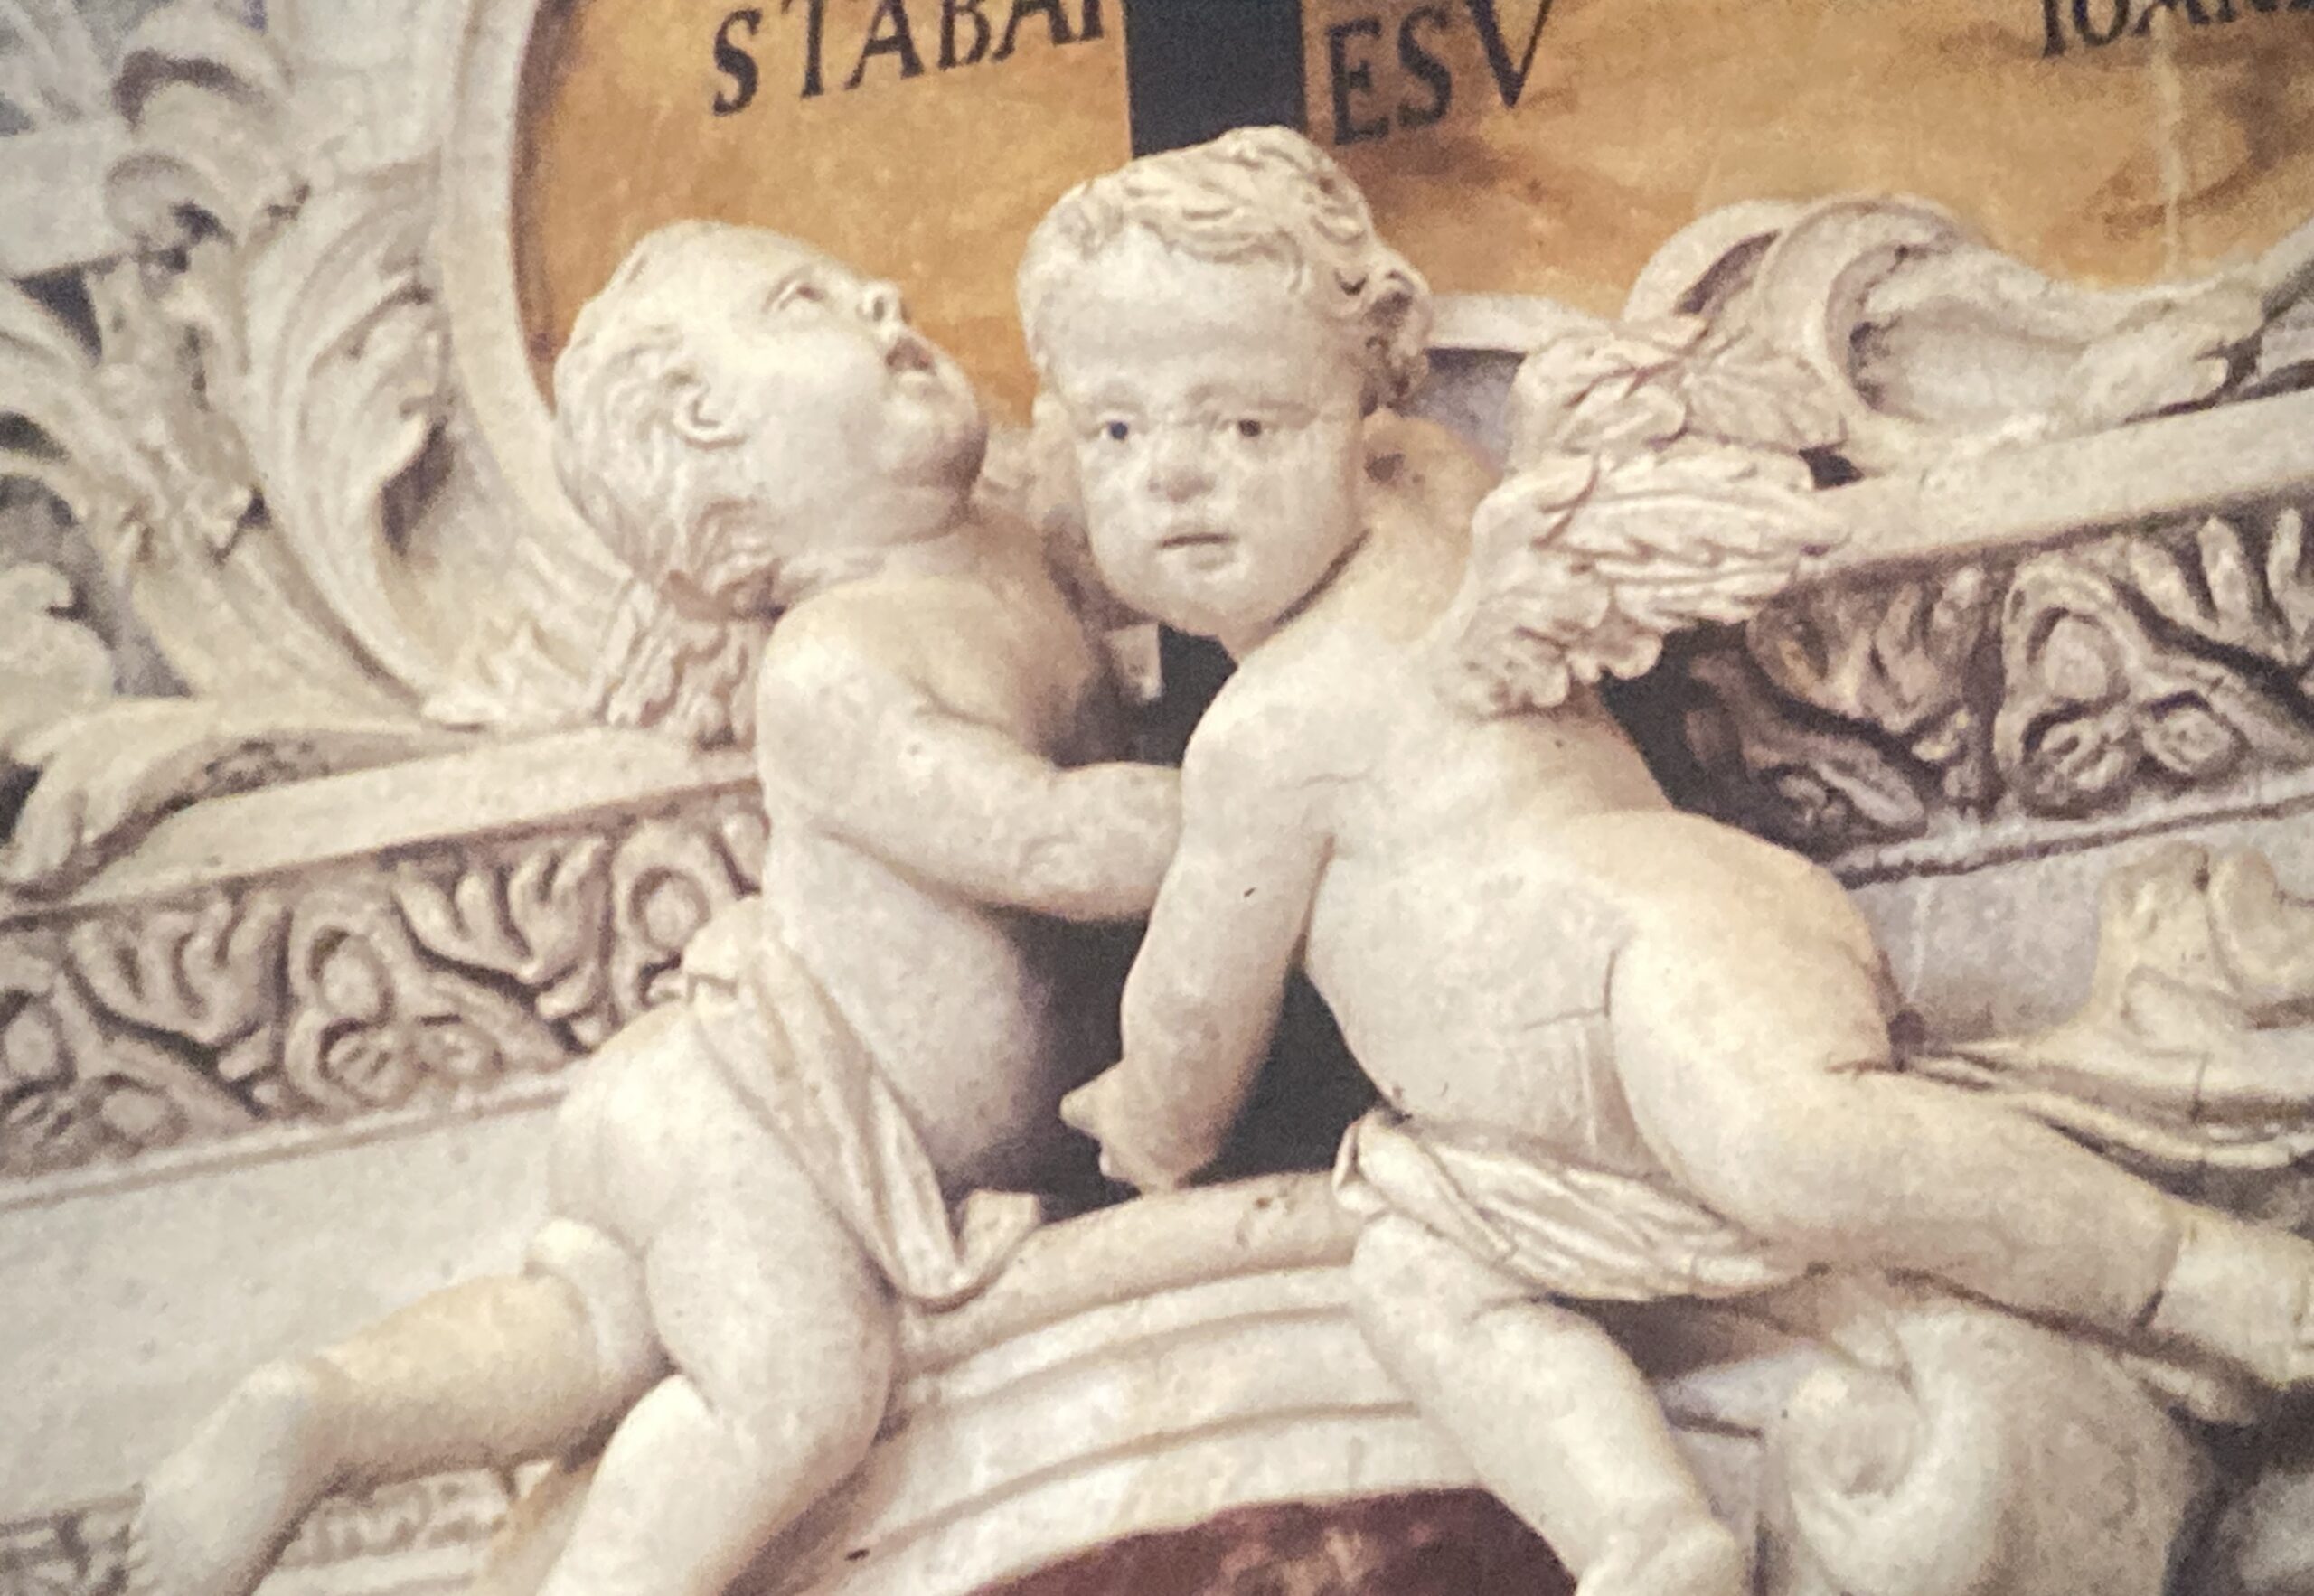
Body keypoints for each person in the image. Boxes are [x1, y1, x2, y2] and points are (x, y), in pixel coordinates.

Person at [1023, 127, 2314, 1596]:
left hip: (1666, 956)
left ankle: (2199, 1276)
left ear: (1365, 412)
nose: (1175, 477)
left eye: (1248, 424)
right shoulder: (1436, 494)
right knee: (1418, 1277)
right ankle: (1646, 1534)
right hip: (1511, 1148)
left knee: (1792, 1141)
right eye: (1115, 432)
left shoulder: (1266, 733)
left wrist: (1142, 1115)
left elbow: (1195, 1023)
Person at [131, 221, 1179, 1596]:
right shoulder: (834, 667)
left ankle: (325, 1414)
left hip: (788, 1126)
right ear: (717, 452)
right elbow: (1047, 840)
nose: (882, 287)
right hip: (760, 1111)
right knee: (792, 1394)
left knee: (599, 1323)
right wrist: (1257, 806)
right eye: (804, 300)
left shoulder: (1008, 541)